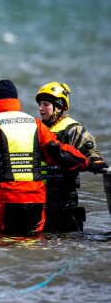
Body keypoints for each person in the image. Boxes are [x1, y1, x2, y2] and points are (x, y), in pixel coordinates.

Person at [0, 80, 96, 236]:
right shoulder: (35, 124)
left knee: (0, 245)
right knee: (31, 245)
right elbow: (58, 152)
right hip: (36, 201)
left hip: (3, 200)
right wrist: (87, 162)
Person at [35, 81, 108, 232]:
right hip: (41, 194)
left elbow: (92, 154)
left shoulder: (73, 129)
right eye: (40, 104)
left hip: (64, 195)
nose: (41, 108)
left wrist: (95, 162)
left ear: (59, 107)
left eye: (45, 104)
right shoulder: (37, 129)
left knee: (68, 236)